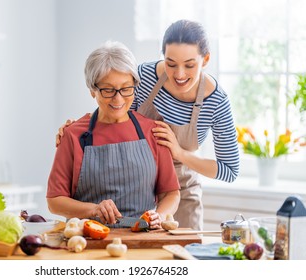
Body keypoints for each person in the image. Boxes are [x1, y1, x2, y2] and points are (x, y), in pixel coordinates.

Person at [56, 20, 240, 230]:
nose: (179, 74)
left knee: (184, 255)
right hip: (137, 185)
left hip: (180, 190)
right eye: (171, 63)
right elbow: (115, 110)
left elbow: (229, 170)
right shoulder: (143, 77)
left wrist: (179, 153)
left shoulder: (216, 101)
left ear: (205, 59)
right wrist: (76, 129)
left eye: (189, 65)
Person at [47, 41, 180, 229]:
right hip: (88, 241)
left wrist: (159, 215)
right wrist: (93, 210)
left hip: (142, 238)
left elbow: (171, 193)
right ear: (93, 90)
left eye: (126, 88)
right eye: (108, 90)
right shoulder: (73, 135)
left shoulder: (153, 131)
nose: (118, 99)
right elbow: (54, 201)